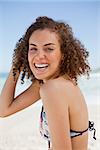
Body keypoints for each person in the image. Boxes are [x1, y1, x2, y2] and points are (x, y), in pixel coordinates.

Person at [0, 16, 96, 150]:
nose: (39, 56)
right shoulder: (52, 83)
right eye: (33, 48)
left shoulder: (52, 89)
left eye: (49, 48)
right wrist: (17, 65)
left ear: (63, 53)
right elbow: (4, 110)